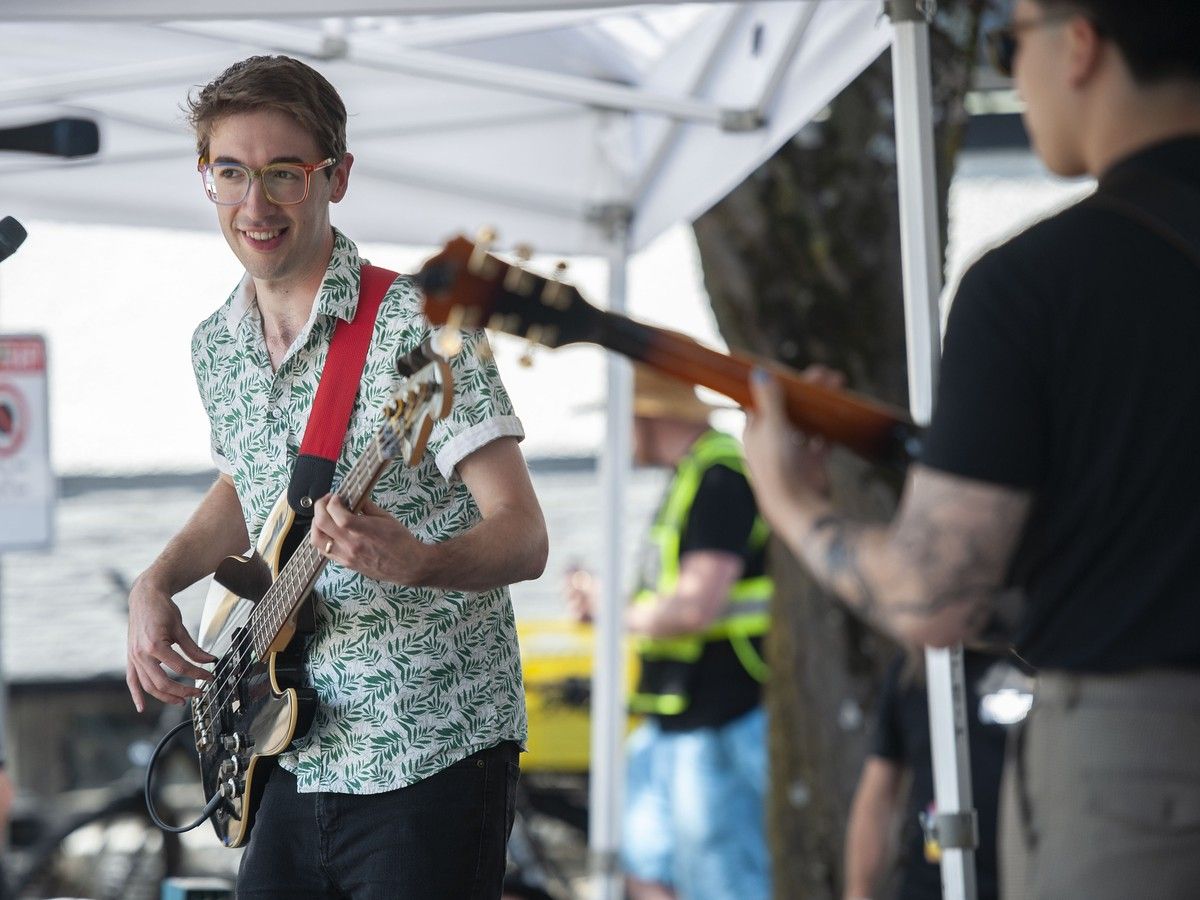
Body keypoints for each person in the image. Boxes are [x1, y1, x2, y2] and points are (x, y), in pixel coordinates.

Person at [744, 2, 1200, 898]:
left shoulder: (1037, 284)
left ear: (1078, 44)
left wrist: (796, 505)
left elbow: (935, 594)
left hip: (1144, 772)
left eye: (1006, 42)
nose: (1011, 72)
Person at [124, 55, 548, 899]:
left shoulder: (417, 325)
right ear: (204, 178)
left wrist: (422, 561)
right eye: (231, 173)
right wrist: (157, 579)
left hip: (430, 742)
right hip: (287, 754)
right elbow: (253, 491)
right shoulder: (217, 345)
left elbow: (524, 533)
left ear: (337, 177)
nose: (256, 204)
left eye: (285, 174)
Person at [566, 366, 771, 900]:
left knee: (722, 881)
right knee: (645, 868)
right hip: (677, 716)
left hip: (722, 715)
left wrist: (608, 609)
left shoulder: (721, 478)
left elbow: (692, 609)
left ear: (645, 416)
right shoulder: (696, 474)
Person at [843, 650, 1031, 900]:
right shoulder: (912, 673)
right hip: (934, 879)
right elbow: (878, 794)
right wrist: (859, 890)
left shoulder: (1033, 656)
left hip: (1026, 876)